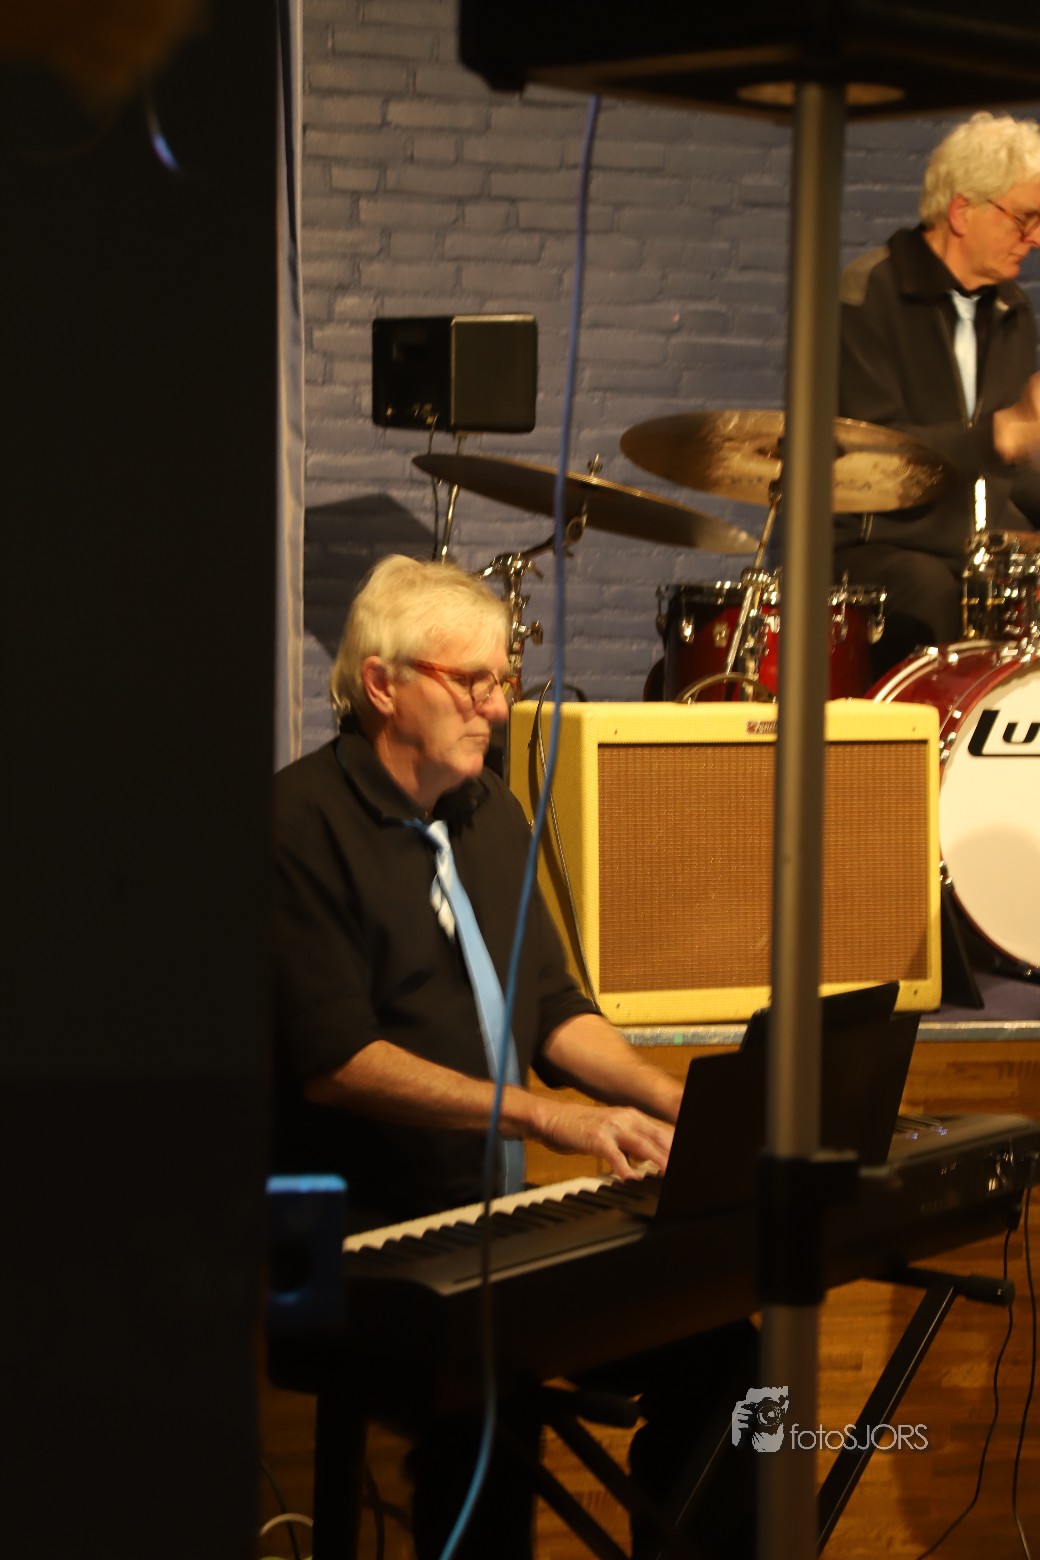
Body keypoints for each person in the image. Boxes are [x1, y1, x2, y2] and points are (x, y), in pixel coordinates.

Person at [271, 553, 756, 1559]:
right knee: (487, 1400)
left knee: (729, 1361)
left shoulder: (488, 813)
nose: (497, 706)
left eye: (504, 679)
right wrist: (550, 1116)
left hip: (493, 1218)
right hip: (358, 1240)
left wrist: (671, 1099)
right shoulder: (296, 825)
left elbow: (553, 1013)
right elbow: (337, 1059)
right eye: (473, 682)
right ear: (382, 685)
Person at [835, 111, 1040, 674]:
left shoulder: (1013, 310)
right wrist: (997, 435)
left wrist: (1012, 442)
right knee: (932, 591)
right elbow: (872, 458)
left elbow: (1013, 468)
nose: (1035, 238)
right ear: (962, 211)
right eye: (1023, 219)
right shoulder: (868, 294)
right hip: (872, 548)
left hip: (972, 548)